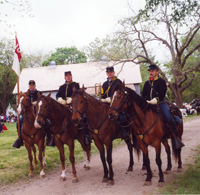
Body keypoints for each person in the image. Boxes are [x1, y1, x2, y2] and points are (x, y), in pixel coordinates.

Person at [142, 64, 184, 149]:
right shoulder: (147, 83)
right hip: (149, 104)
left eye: (152, 71)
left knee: (168, 117)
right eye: (150, 71)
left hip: (160, 103)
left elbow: (162, 94)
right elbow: (143, 94)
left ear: (157, 72)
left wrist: (155, 100)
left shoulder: (161, 82)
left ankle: (174, 136)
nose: (151, 72)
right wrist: (145, 101)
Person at [13, 80, 54, 148]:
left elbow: (42, 101)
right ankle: (20, 139)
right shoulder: (26, 94)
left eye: (32, 85)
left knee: (47, 123)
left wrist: (35, 103)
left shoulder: (39, 93)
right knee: (18, 123)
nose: (31, 86)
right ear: (29, 86)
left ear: (35, 85)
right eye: (30, 85)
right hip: (28, 114)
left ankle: (49, 138)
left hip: (38, 113)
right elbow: (21, 102)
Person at [101, 66, 129, 139]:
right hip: (106, 104)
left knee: (122, 116)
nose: (109, 73)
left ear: (113, 73)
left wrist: (110, 99)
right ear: (106, 73)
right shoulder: (104, 84)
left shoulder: (118, 82)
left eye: (111, 72)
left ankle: (124, 132)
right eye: (108, 72)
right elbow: (102, 94)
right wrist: (103, 99)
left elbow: (120, 94)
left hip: (116, 104)